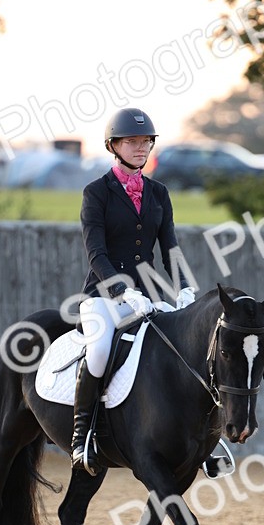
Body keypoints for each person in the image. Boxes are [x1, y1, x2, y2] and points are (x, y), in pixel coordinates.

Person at [71, 107, 195, 473]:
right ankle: (82, 436)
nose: (141, 148)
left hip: (149, 295)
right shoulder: (96, 193)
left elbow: (170, 247)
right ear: (113, 145)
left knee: (186, 347)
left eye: (146, 141)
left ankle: (203, 437)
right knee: (98, 351)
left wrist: (184, 287)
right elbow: (96, 253)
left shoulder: (159, 193)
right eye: (132, 141)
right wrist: (121, 290)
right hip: (103, 296)